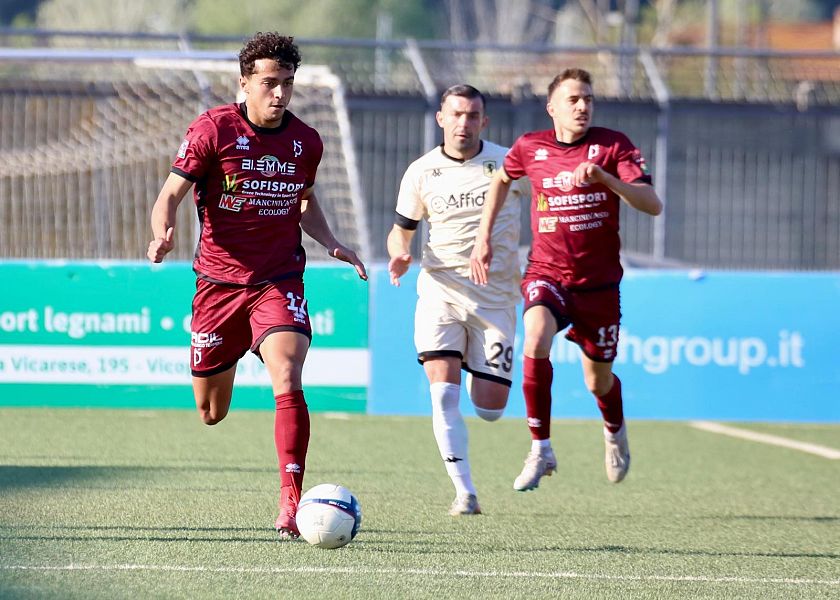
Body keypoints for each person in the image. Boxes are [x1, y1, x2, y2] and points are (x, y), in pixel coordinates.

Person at [146, 32, 367, 539]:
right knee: (211, 412)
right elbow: (169, 194)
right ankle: (232, 355)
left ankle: (291, 501)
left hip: (278, 278)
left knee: (287, 372)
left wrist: (332, 243)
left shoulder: (306, 141)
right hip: (218, 286)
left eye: (287, 83)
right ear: (244, 82)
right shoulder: (212, 129)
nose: (280, 93)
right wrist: (163, 231)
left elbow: (304, 201)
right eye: (269, 83)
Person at [470, 68, 662, 491]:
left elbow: (652, 204)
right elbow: (502, 178)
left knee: (598, 380)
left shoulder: (613, 146)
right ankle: (541, 448)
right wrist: (483, 237)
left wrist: (606, 179)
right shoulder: (530, 146)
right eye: (573, 99)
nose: (582, 106)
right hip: (547, 272)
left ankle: (614, 429)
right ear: (552, 108)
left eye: (588, 99)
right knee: (536, 336)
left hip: (599, 286)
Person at [387, 84, 524, 515]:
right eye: (457, 114)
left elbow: (545, 205)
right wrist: (399, 254)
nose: (464, 123)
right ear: (441, 118)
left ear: (484, 121)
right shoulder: (421, 171)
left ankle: (473, 364)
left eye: (473, 115)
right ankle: (465, 492)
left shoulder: (508, 163)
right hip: (440, 291)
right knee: (443, 395)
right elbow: (401, 231)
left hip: (496, 300)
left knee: (490, 409)